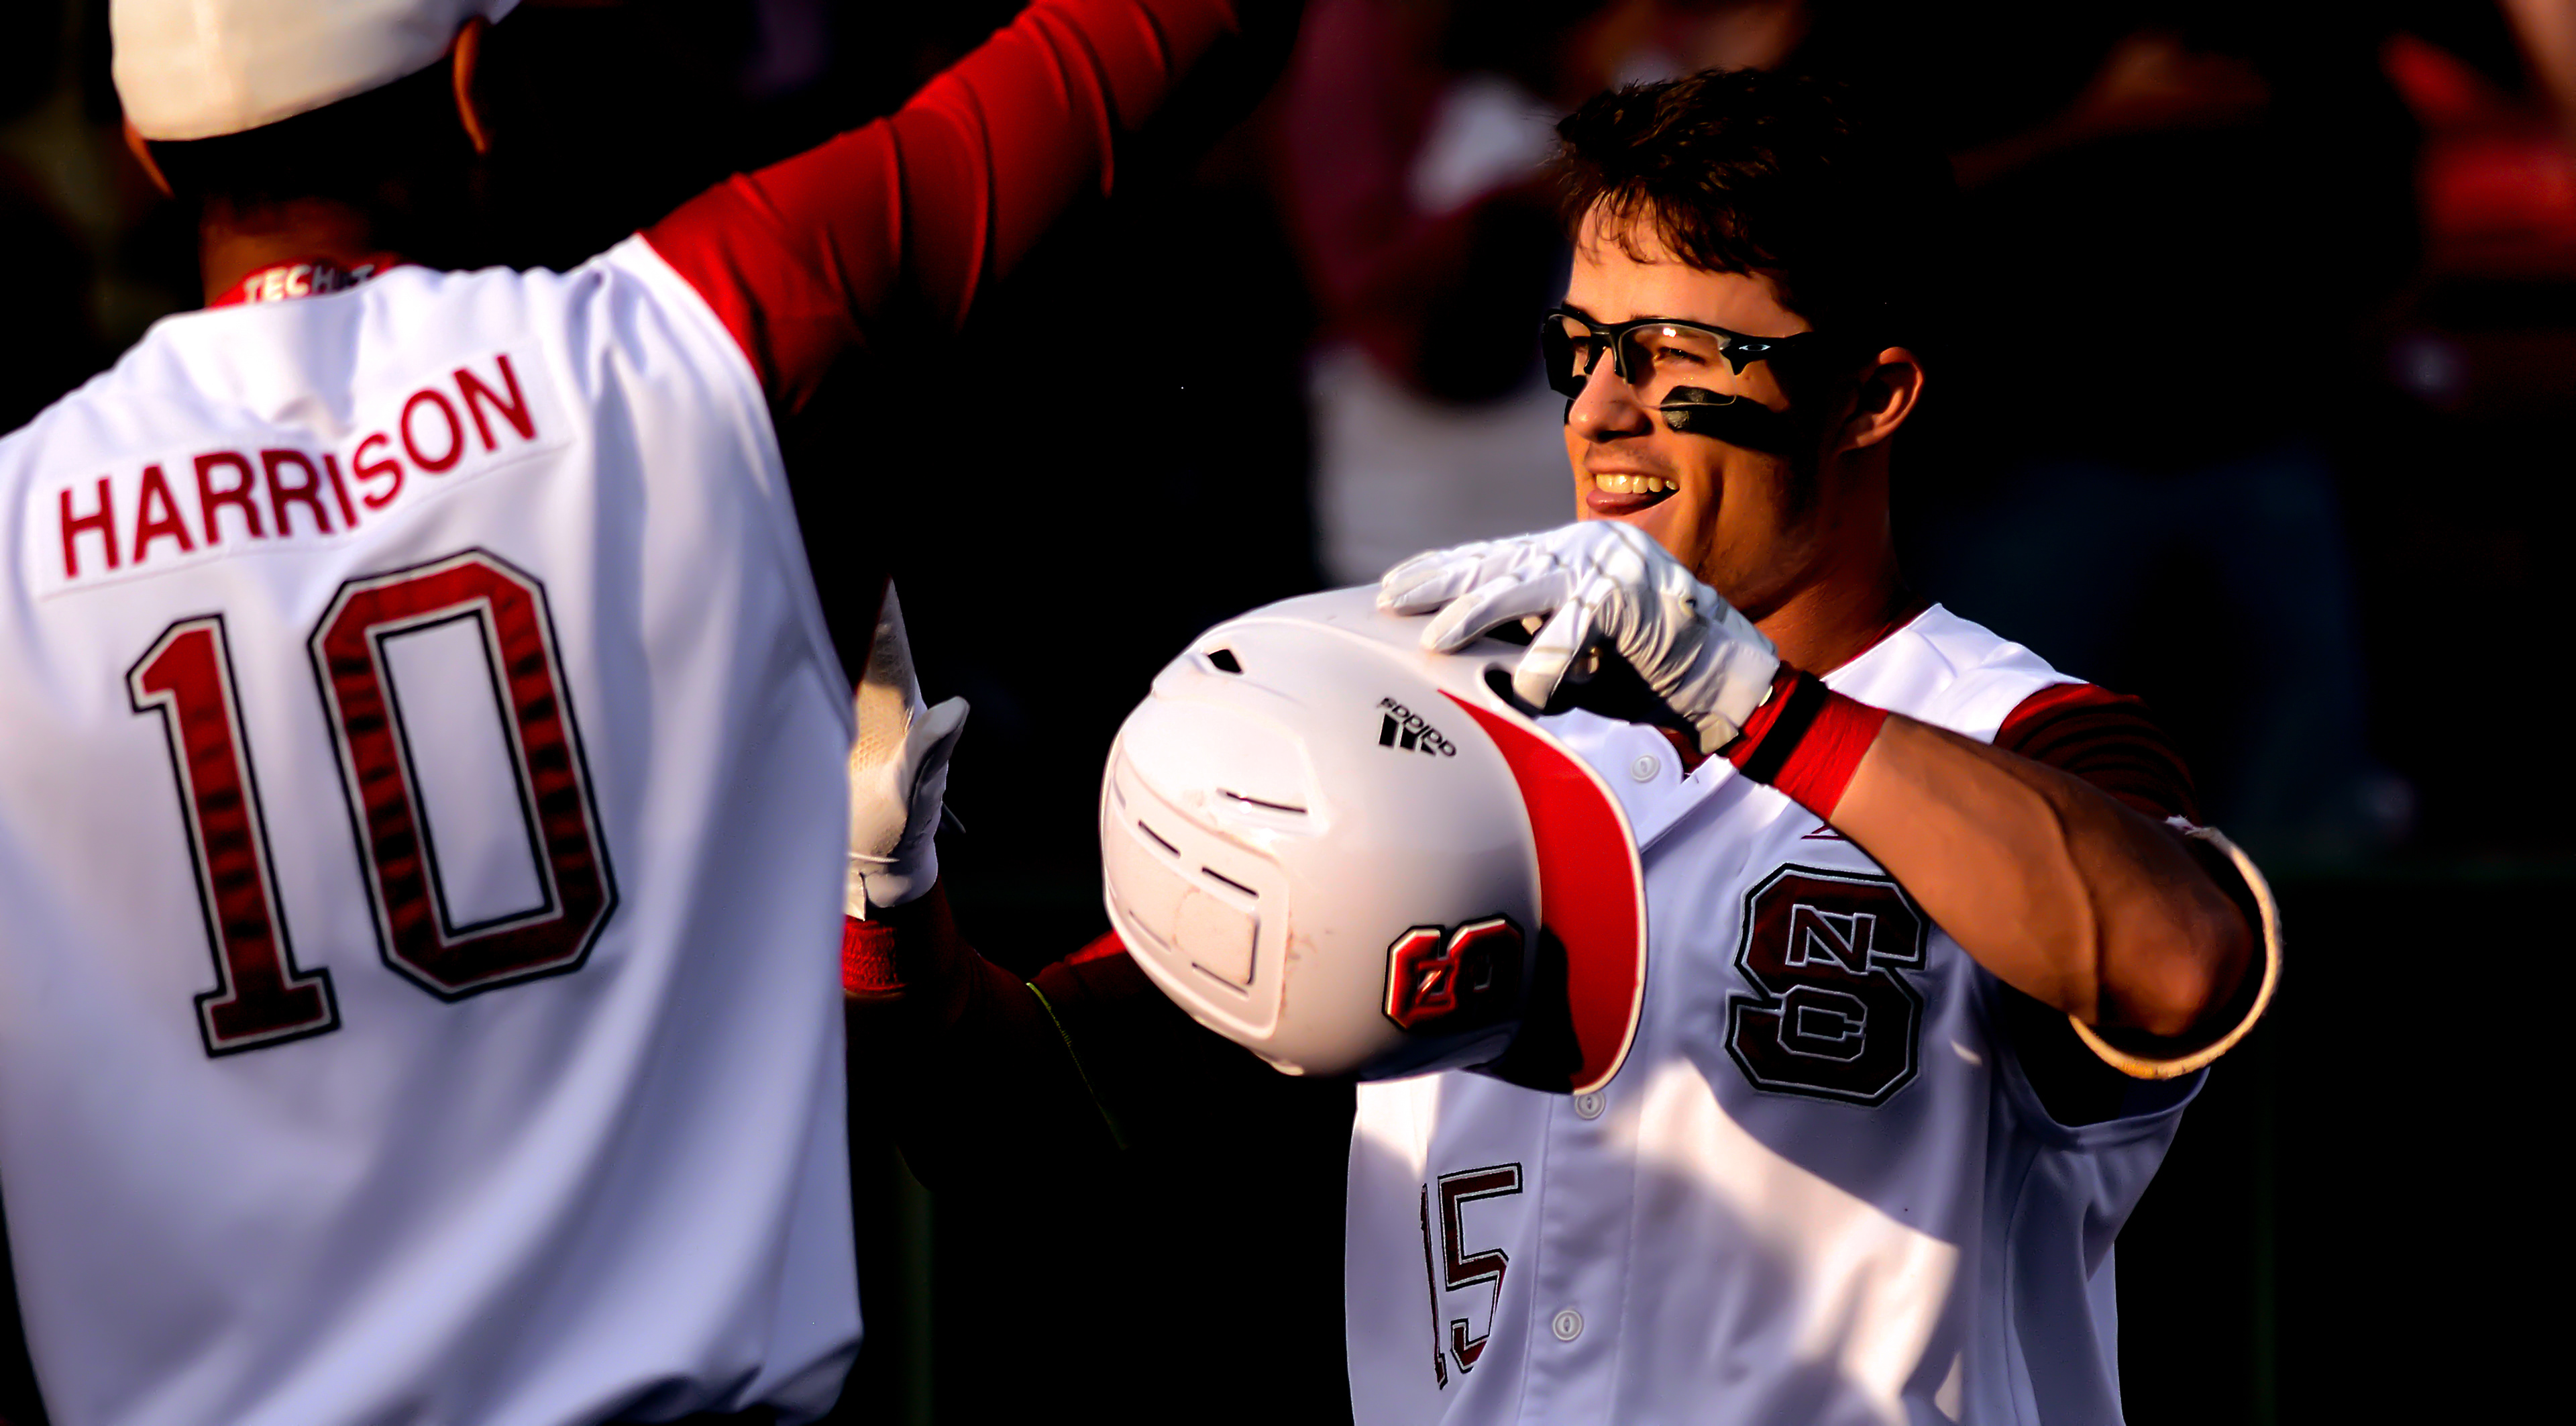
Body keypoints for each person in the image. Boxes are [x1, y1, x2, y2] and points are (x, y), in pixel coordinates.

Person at [847, 66, 2280, 1423]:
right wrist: (884, 905)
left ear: (1872, 395)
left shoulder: (2016, 728)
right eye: (1583, 346)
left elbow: (2180, 958)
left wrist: (1753, 702)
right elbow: (1024, 1124)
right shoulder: (1431, 690)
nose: (1599, 410)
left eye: (1673, 357)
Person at [0, 0, 1293, 1422]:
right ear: (481, 88)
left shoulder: (10, 541)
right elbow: (1183, 31)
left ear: (139, 153)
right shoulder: (688, 339)